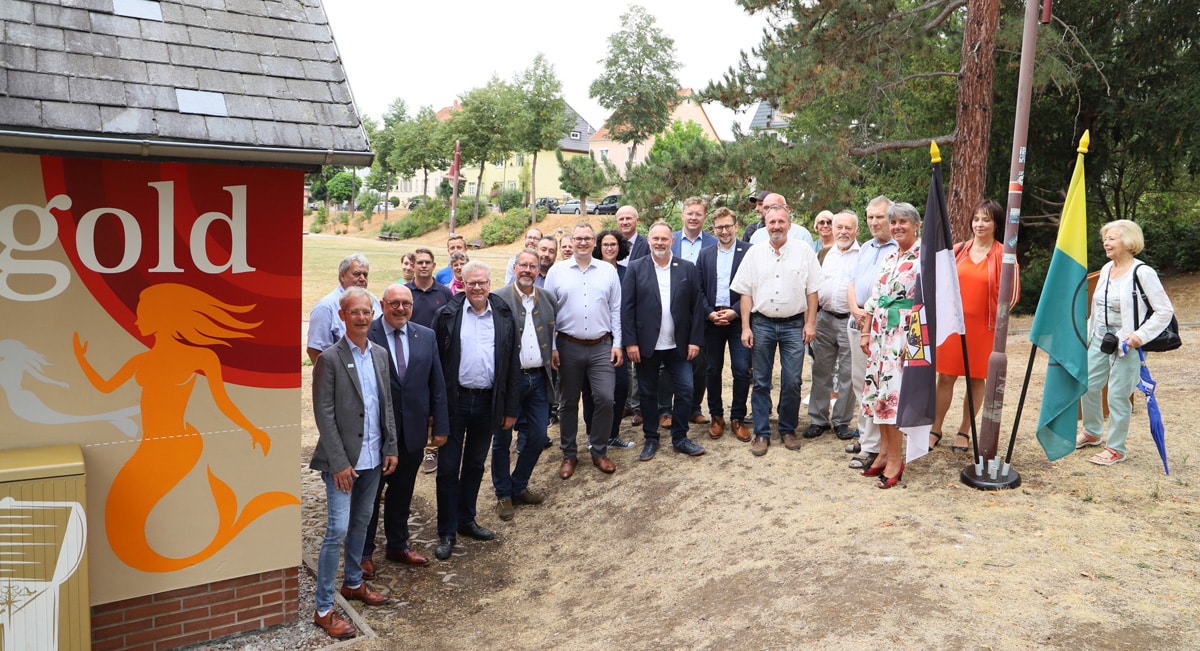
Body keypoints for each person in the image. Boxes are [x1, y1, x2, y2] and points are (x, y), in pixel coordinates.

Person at [308, 287, 398, 638]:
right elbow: (324, 414)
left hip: (375, 458)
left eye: (366, 311)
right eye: (354, 312)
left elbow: (386, 405)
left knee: (361, 524)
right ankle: (324, 608)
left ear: (373, 314)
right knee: (337, 531)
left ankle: (354, 583)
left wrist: (390, 446)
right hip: (342, 463)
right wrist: (339, 462)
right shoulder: (329, 359)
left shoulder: (378, 354)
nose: (361, 317)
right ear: (343, 316)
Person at [430, 261, 520, 560]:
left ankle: (466, 520)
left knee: (474, 465)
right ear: (463, 284)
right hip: (455, 403)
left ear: (490, 282)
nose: (478, 288)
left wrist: (509, 407)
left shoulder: (504, 314)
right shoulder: (447, 315)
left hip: (487, 402)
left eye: (482, 282)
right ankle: (446, 530)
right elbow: (435, 366)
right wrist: (435, 410)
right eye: (472, 283)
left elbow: (511, 365)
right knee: (447, 469)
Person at [360, 284, 449, 578]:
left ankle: (397, 544)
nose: (401, 309)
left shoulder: (425, 336)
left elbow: (437, 383)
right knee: (370, 496)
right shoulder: (365, 335)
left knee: (402, 492)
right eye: (394, 303)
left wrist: (440, 425)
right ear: (383, 305)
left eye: (406, 304)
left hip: (412, 429)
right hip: (375, 433)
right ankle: (363, 552)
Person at [730, 195, 823, 456]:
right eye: (772, 222)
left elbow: (813, 290)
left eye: (781, 221)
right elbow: (745, 293)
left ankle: (787, 428)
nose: (776, 226)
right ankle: (761, 432)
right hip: (762, 324)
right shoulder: (754, 252)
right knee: (760, 381)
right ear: (765, 224)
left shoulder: (804, 251)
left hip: (795, 324)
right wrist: (746, 327)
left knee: (792, 381)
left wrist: (811, 323)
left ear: (789, 224)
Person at [1077, 220, 1175, 466]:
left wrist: (1139, 336)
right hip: (1100, 338)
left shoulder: (1142, 272)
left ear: (1128, 241)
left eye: (1111, 238)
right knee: (1087, 385)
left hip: (1127, 344)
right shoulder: (1106, 269)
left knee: (1118, 396)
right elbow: (1097, 308)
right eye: (1105, 239)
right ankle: (1092, 432)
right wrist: (1088, 336)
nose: (1106, 243)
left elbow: (1164, 311)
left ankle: (1116, 448)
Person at [931, 200, 1020, 452]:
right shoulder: (958, 250)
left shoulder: (1004, 255)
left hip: (984, 326)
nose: (980, 224)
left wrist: (997, 317)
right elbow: (940, 283)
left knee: (975, 378)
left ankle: (963, 431)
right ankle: (935, 428)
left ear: (996, 224)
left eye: (986, 219)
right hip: (953, 325)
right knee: (946, 376)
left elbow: (1012, 294)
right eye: (976, 219)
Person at [544, 222, 624, 479]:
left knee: (605, 398)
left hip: (602, 345)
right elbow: (548, 314)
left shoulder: (607, 271)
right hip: (568, 346)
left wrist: (618, 343)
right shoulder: (557, 272)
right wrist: (553, 347)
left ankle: (599, 450)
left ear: (595, 242)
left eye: (587, 238)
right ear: (572, 241)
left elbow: (616, 310)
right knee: (568, 402)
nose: (582, 242)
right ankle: (569, 454)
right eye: (578, 238)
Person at [623, 221, 708, 461]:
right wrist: (630, 343)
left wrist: (695, 341)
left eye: (664, 239)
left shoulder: (687, 268)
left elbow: (697, 309)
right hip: (646, 345)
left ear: (672, 241)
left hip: (679, 345)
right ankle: (651, 438)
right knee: (648, 394)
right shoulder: (636, 268)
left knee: (686, 390)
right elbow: (627, 309)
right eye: (655, 238)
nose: (659, 242)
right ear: (648, 240)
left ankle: (680, 437)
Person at [858, 202, 922, 489]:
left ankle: (897, 459)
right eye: (893, 221)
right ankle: (883, 452)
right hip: (881, 336)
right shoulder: (889, 256)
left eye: (903, 222)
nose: (897, 227)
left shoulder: (923, 257)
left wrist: (917, 342)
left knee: (892, 399)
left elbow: (929, 301)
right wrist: (866, 332)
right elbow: (874, 296)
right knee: (878, 394)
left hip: (904, 337)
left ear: (916, 225)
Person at [492, 250, 556, 521]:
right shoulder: (498, 298)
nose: (528, 270)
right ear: (515, 267)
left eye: (533, 266)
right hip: (511, 380)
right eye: (523, 266)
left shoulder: (548, 298)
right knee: (502, 439)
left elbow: (555, 333)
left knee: (539, 436)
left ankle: (519, 485)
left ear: (539, 269)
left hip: (539, 378)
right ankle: (503, 494)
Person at [845, 196, 896, 470]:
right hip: (858, 320)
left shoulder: (899, 247)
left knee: (877, 387)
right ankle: (866, 437)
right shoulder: (865, 247)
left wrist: (869, 315)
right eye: (870, 217)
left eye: (880, 216)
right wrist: (855, 309)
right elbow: (852, 283)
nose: (874, 222)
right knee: (859, 383)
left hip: (883, 327)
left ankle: (873, 447)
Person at [696, 207, 751, 441]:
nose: (724, 231)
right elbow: (697, 289)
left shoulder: (749, 252)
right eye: (719, 227)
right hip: (712, 320)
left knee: (741, 370)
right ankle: (716, 416)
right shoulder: (705, 254)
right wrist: (709, 313)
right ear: (714, 229)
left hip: (739, 319)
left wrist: (735, 312)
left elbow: (755, 286)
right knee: (712, 370)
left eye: (728, 226)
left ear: (736, 226)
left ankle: (738, 417)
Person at [805, 210, 860, 441]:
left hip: (850, 320)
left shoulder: (863, 254)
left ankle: (841, 421)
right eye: (839, 227)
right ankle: (818, 419)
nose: (843, 232)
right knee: (821, 370)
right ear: (833, 230)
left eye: (848, 228)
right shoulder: (824, 253)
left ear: (857, 230)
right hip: (825, 318)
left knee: (848, 373)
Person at [582, 230, 636, 450]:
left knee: (621, 386)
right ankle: (592, 434)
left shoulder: (627, 272)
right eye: (605, 244)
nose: (610, 248)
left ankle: (612, 434)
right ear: (598, 246)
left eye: (614, 244)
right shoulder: (591, 271)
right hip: (595, 337)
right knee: (591, 390)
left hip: (620, 337)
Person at [667, 196, 717, 426]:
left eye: (698, 214)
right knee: (666, 362)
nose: (694, 217)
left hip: (701, 309)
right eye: (690, 213)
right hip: (671, 310)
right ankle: (665, 409)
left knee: (699, 363)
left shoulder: (713, 243)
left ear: (705, 217)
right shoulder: (670, 240)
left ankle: (693, 407)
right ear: (682, 215)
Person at [406, 248, 455, 474]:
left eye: (428, 262)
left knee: (436, 400)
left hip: (438, 357)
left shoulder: (444, 293)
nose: (424, 265)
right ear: (413, 265)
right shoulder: (405, 292)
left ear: (434, 265)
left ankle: (431, 450)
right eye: (420, 262)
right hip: (409, 357)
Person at [307, 253, 377, 364]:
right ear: (342, 276)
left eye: (365, 274)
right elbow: (315, 350)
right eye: (357, 274)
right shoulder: (325, 307)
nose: (362, 279)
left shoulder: (375, 302)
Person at [748, 198, 814, 249]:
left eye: (774, 207)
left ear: (787, 208)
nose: (770, 211)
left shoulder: (802, 235)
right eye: (766, 208)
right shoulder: (756, 236)